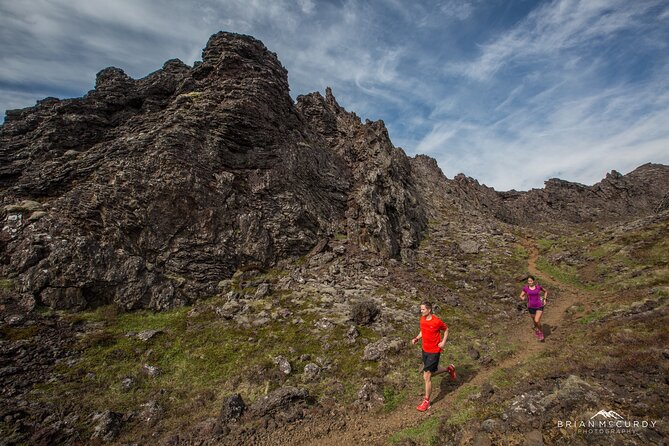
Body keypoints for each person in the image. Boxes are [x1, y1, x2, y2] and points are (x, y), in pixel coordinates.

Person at [411, 301, 456, 412]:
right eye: (420, 309)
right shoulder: (422, 319)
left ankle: (426, 402)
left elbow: (446, 329)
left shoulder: (437, 321)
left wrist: (443, 342)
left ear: (429, 310)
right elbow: (423, 330)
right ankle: (448, 369)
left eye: (423, 309)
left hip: (434, 351)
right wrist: (417, 338)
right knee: (431, 372)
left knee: (426, 376)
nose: (421, 311)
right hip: (425, 350)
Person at [519, 275, 548, 341]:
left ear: (533, 281)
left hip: (539, 306)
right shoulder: (526, 288)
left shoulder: (538, 287)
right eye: (529, 281)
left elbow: (545, 291)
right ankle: (537, 329)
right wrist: (522, 298)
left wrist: (544, 299)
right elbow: (521, 295)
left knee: (537, 320)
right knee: (534, 321)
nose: (530, 282)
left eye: (531, 281)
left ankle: (541, 333)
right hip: (530, 307)